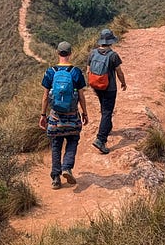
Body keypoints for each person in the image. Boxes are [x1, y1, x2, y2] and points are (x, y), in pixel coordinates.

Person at [39, 42, 88, 188]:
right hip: (72, 116)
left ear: (57, 53)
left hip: (55, 118)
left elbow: (45, 96)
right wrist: (84, 113)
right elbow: (81, 95)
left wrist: (43, 115)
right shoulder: (76, 72)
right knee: (72, 140)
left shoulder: (50, 72)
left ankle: (55, 178)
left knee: (56, 145)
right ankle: (67, 167)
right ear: (70, 53)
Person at [87, 28, 126, 154]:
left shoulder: (93, 53)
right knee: (107, 112)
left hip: (96, 86)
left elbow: (88, 70)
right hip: (109, 88)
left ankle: (107, 127)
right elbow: (119, 71)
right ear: (110, 42)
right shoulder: (113, 55)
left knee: (104, 108)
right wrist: (123, 83)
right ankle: (100, 139)